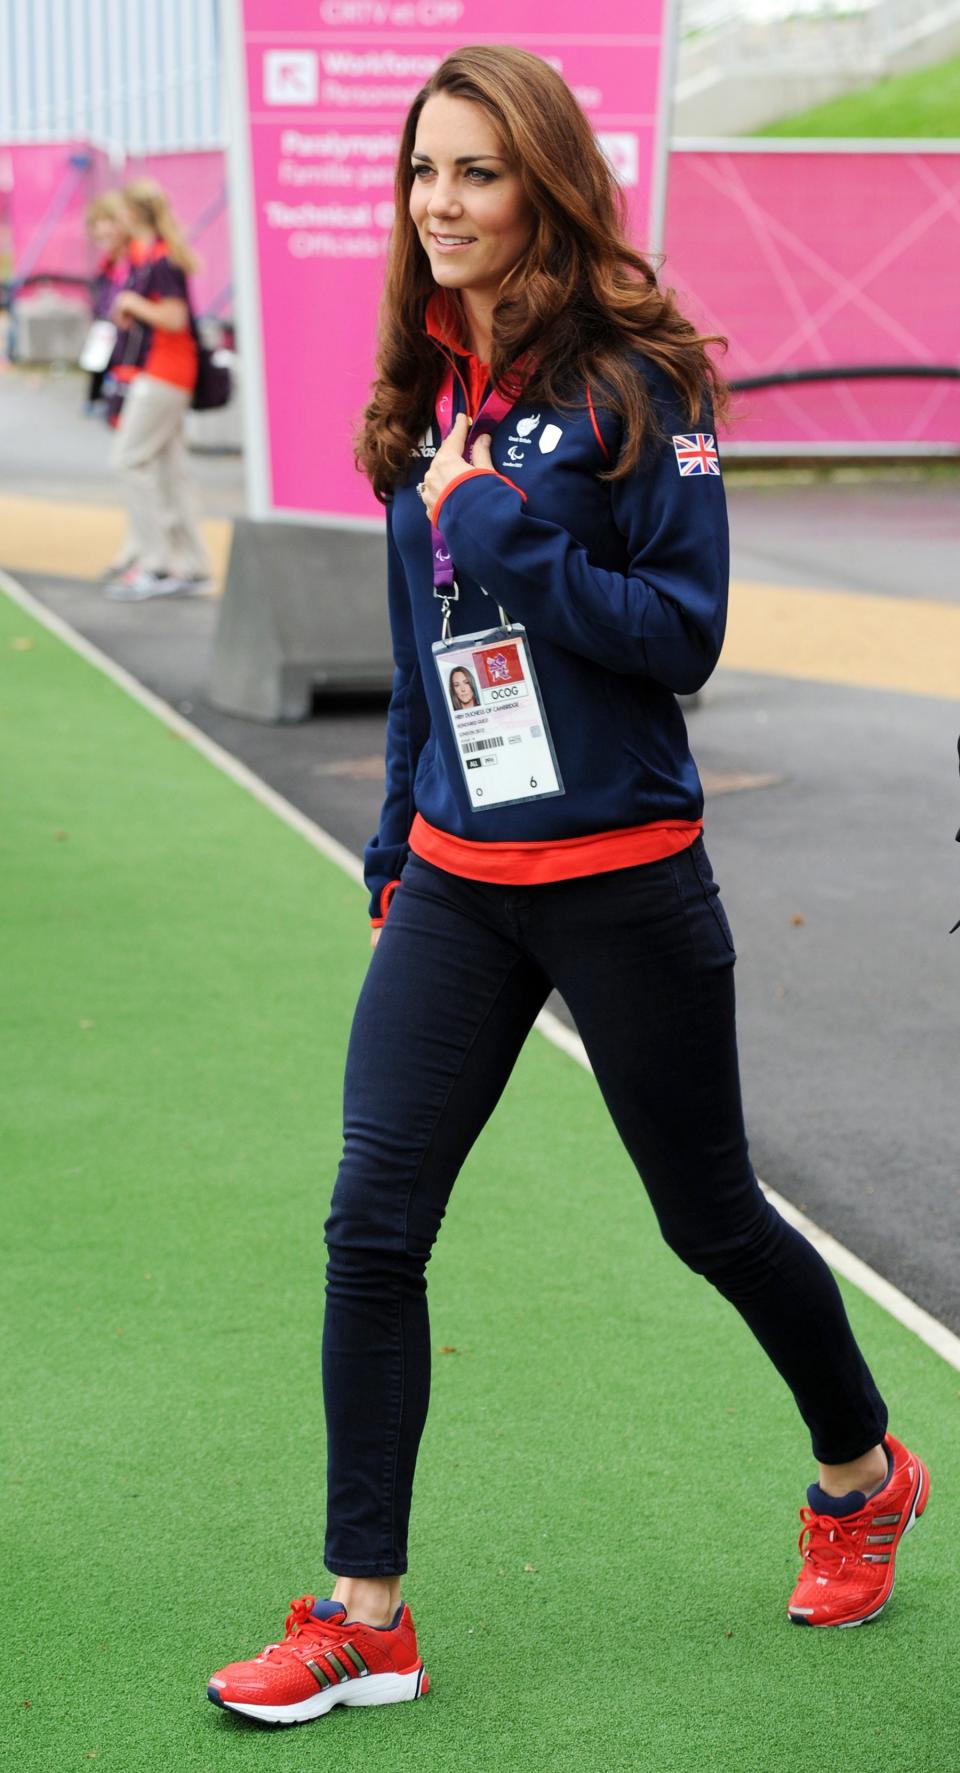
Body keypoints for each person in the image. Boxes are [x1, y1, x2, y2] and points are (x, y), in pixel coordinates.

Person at [206, 45, 929, 1728]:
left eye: (473, 172)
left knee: (711, 1216)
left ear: (542, 182)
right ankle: (363, 1609)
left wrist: (508, 529)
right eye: (419, 173)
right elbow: (419, 649)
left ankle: (859, 1466)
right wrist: (394, 837)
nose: (437, 205)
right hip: (460, 879)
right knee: (372, 1218)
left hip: (621, 875)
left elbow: (681, 636)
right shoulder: (422, 389)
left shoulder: (632, 387)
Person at [102, 179, 212, 600]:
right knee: (171, 472)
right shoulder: (153, 258)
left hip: (164, 375)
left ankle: (158, 563)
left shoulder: (162, 262)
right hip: (167, 375)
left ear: (132, 215)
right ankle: (192, 566)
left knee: (129, 461)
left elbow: (173, 318)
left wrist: (131, 305)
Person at [83, 193, 130, 411]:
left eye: (107, 222)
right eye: (96, 224)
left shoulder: (137, 263)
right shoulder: (107, 265)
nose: (101, 230)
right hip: (107, 340)